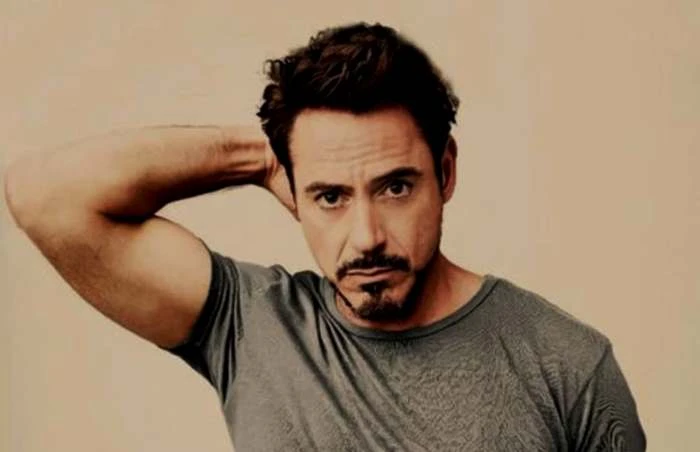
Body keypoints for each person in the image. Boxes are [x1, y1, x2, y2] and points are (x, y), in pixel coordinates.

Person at [4, 22, 645, 451]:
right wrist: (261, 155)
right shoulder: (250, 325)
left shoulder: (566, 363)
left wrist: (311, 163)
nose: (366, 237)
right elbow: (45, 197)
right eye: (330, 196)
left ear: (445, 173)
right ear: (293, 190)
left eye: (395, 187)